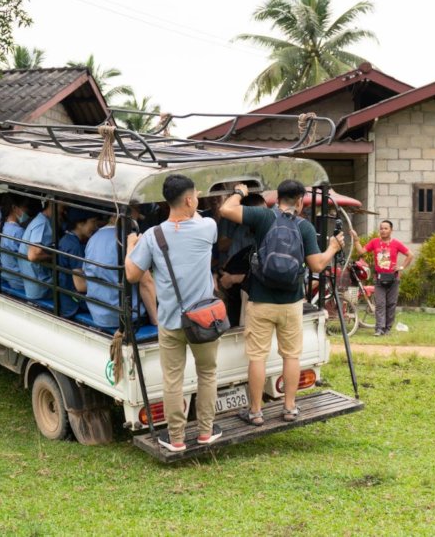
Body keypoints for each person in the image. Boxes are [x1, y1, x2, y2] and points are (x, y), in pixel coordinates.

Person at [220, 180, 344, 426]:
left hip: (260, 301)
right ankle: (289, 407)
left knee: (257, 357)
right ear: (300, 201)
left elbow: (226, 210)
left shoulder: (263, 217)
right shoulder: (305, 227)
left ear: (277, 198)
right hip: (291, 303)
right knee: (291, 356)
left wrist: (240, 192)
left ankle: (255, 412)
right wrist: (332, 247)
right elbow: (317, 265)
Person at [126, 174, 222, 452]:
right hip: (204, 318)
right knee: (207, 374)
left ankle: (176, 438)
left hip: (170, 320)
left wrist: (132, 245)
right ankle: (205, 432)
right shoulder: (208, 227)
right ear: (190, 199)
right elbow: (200, 218)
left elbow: (133, 274)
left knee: (173, 380)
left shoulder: (153, 236)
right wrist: (194, 205)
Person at [81, 214, 158, 329]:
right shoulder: (127, 240)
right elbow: (146, 283)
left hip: (98, 313)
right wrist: (156, 321)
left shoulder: (92, 239)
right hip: (126, 317)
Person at [351, 220, 414, 336]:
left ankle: (388, 329)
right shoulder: (375, 242)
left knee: (391, 304)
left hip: (393, 279)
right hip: (379, 279)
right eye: (381, 228)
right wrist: (356, 239)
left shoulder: (396, 243)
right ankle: (379, 329)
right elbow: (361, 251)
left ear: (391, 230)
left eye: (386, 228)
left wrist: (401, 267)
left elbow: (410, 255)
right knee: (380, 304)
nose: (383, 230)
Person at [216, 192, 266, 326]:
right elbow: (231, 263)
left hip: (259, 295)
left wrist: (232, 278)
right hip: (246, 292)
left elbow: (263, 273)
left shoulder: (272, 234)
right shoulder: (242, 232)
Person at [55, 208, 99, 317]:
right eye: (92, 222)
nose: (95, 227)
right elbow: (80, 286)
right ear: (80, 224)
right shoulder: (74, 247)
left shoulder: (66, 239)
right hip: (74, 304)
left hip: (65, 299)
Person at [17, 200, 61, 300]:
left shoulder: (41, 220)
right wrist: (54, 257)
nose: (65, 213)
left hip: (33, 283)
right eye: (63, 208)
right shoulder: (42, 223)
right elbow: (33, 255)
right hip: (39, 288)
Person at [0, 195, 32, 291]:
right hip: (20, 282)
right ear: (14, 208)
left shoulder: (4, 226)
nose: (27, 211)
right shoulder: (18, 232)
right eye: (24, 207)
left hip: (10, 278)